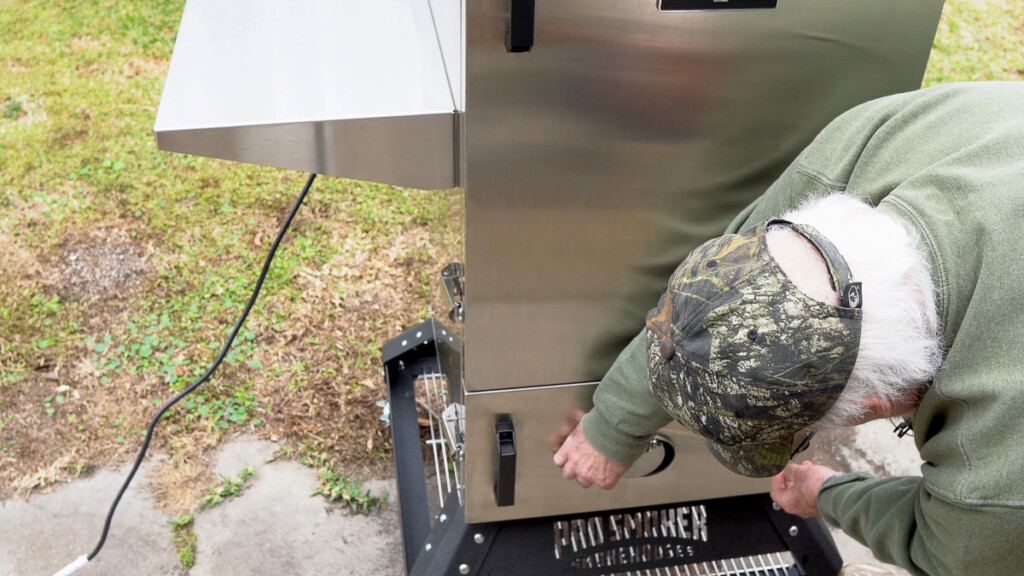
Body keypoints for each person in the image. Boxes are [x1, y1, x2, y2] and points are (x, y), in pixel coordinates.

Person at [552, 81, 1024, 576]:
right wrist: (615, 424)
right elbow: (722, 293)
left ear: (875, 406)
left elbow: (955, 548)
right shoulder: (866, 147)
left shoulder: (998, 463)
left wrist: (829, 492)